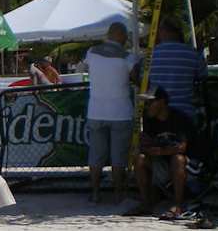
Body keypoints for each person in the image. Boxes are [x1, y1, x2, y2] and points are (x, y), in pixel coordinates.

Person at [81, 22, 141, 203]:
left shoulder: (92, 52)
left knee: (96, 155)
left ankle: (95, 192)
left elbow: (86, 69)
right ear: (121, 36)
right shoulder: (128, 57)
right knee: (118, 156)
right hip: (120, 111)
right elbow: (137, 80)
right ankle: (117, 194)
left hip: (96, 110)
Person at [129, 87, 195, 217]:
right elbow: (147, 143)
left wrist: (159, 151)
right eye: (145, 103)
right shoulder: (148, 119)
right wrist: (146, 147)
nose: (147, 106)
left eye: (150, 102)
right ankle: (146, 203)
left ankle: (178, 204)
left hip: (187, 165)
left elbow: (182, 147)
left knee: (178, 159)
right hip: (161, 162)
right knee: (139, 159)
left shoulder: (179, 118)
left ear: (162, 102)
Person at [148, 17, 207, 122]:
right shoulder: (192, 54)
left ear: (162, 31)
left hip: (158, 113)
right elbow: (203, 77)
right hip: (185, 113)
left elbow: (143, 82)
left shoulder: (150, 55)